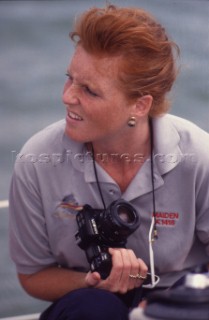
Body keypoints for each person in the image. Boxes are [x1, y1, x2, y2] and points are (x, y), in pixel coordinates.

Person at [9, 4, 209, 320]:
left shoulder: (199, 157)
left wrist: (171, 304)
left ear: (140, 105)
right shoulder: (36, 160)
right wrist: (91, 282)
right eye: (69, 78)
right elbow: (32, 276)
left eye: (89, 90)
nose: (67, 96)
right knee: (92, 309)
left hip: (181, 301)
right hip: (90, 303)